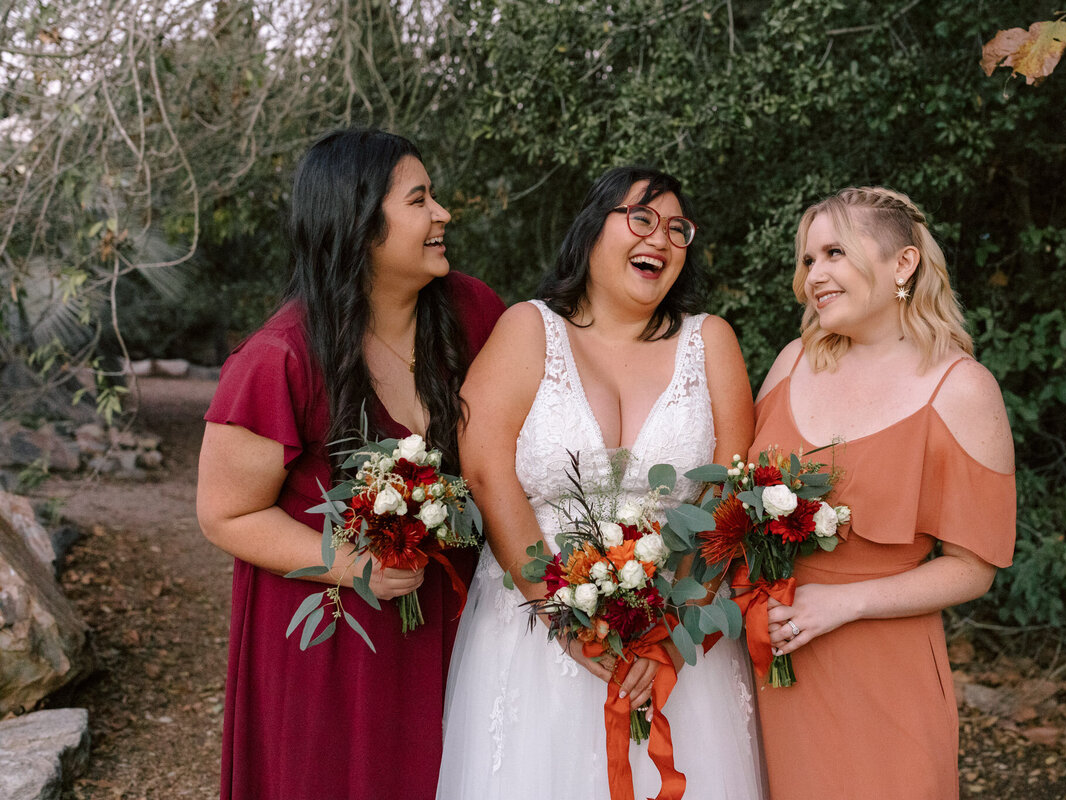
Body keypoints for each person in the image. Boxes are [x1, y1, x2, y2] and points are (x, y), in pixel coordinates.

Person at [196, 128, 506, 800]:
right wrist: (354, 563)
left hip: (456, 627)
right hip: (335, 647)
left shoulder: (472, 315)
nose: (442, 214)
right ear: (360, 223)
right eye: (420, 199)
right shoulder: (279, 358)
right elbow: (225, 513)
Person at [437, 167, 764, 799]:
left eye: (678, 229)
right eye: (641, 218)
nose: (661, 238)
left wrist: (666, 632)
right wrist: (563, 618)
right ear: (592, 230)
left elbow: (726, 495)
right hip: (537, 632)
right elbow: (484, 467)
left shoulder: (711, 341)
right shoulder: (529, 329)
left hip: (675, 634)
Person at [750, 186, 1016, 799]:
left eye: (835, 252)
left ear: (903, 263)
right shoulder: (793, 363)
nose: (815, 274)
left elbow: (973, 570)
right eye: (808, 259)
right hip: (769, 663)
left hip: (883, 670)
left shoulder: (961, 389)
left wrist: (844, 603)